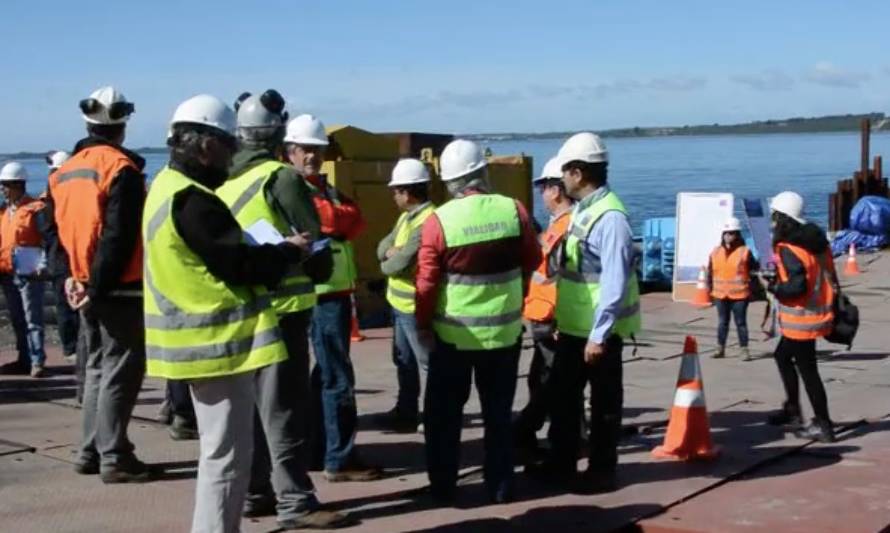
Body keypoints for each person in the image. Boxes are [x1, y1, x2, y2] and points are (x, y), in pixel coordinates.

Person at [144, 94, 305, 533]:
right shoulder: (194, 201)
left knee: (220, 454)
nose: (233, 155)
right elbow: (238, 263)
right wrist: (286, 253)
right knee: (228, 457)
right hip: (217, 347)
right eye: (228, 145)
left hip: (193, 345)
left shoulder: (163, 187)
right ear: (205, 145)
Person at [217, 91, 348, 529]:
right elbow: (314, 245)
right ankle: (296, 501)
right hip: (287, 310)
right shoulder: (282, 179)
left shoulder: (225, 183)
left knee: (253, 408)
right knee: (285, 408)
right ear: (279, 135)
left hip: (245, 310)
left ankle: (256, 493)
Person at [416, 139, 540, 504]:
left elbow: (426, 283)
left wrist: (422, 325)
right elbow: (533, 258)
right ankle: (501, 488)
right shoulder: (513, 209)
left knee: (443, 419)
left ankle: (443, 489)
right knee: (498, 417)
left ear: (449, 181)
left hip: (452, 339)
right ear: (483, 173)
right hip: (503, 336)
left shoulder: (439, 220)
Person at [48, 86, 149, 483]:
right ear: (122, 125)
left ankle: (88, 450)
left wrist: (75, 279)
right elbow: (117, 236)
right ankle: (114, 456)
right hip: (116, 285)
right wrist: (100, 285)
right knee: (121, 368)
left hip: (82, 283)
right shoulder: (120, 168)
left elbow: (58, 233)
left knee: (94, 368)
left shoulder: (64, 172)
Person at [282, 114, 381, 482]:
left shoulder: (323, 188)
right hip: (319, 293)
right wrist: (335, 218)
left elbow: (354, 220)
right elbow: (328, 219)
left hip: (333, 291)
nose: (313, 156)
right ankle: (339, 458)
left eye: (318, 150)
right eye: (306, 150)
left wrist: (334, 218)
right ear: (290, 151)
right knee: (336, 376)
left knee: (323, 374)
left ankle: (320, 450)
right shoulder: (293, 188)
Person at [541, 132, 641, 494]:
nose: (561, 179)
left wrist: (599, 335)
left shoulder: (610, 217)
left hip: (597, 333)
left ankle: (601, 470)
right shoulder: (585, 209)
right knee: (564, 400)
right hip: (573, 327)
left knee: (603, 405)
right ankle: (561, 462)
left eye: (565, 171)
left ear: (579, 173)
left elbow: (612, 281)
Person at [760, 191, 836, 443]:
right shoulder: (816, 242)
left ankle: (823, 425)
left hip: (801, 320)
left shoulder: (788, 248)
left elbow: (797, 286)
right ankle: (792, 407)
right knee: (782, 356)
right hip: (818, 313)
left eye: (774, 217)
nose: (772, 222)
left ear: (782, 218)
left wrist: (773, 287)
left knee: (808, 371)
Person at [513, 157, 574, 461]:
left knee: (552, 382)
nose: (541, 195)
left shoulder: (568, 227)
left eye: (543, 188)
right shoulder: (558, 225)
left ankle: (528, 429)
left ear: (556, 190)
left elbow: (565, 277)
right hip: (542, 317)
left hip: (553, 319)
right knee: (541, 378)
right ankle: (539, 430)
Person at [375, 159, 436, 433]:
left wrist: (390, 259)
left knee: (426, 363)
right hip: (398, 303)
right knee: (404, 361)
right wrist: (391, 254)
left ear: (408, 192)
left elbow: (397, 263)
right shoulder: (406, 218)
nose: (394, 196)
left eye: (396, 191)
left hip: (414, 305)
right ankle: (406, 410)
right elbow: (382, 247)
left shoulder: (427, 221)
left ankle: (432, 415)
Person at [0, 162, 48, 378]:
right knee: (17, 318)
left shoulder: (36, 209)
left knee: (32, 318)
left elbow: (48, 239)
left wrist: (43, 265)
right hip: (8, 272)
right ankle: (24, 358)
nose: (3, 189)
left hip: (30, 273)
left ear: (18, 185)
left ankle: (37, 360)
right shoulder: (4, 212)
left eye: (6, 185)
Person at [42, 151, 81, 365]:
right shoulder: (58, 195)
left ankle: (72, 347)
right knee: (66, 306)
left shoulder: (54, 195)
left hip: (64, 257)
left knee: (67, 305)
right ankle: (71, 347)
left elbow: (48, 229)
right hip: (64, 257)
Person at [708, 216, 758, 360]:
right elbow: (711, 272)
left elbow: (754, 272)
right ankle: (720, 348)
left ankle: (744, 349)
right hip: (720, 294)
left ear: (737, 235)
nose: (728, 236)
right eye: (726, 233)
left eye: (731, 233)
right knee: (722, 322)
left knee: (740, 322)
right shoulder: (715, 252)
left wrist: (754, 292)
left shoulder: (744, 252)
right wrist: (710, 290)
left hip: (740, 295)